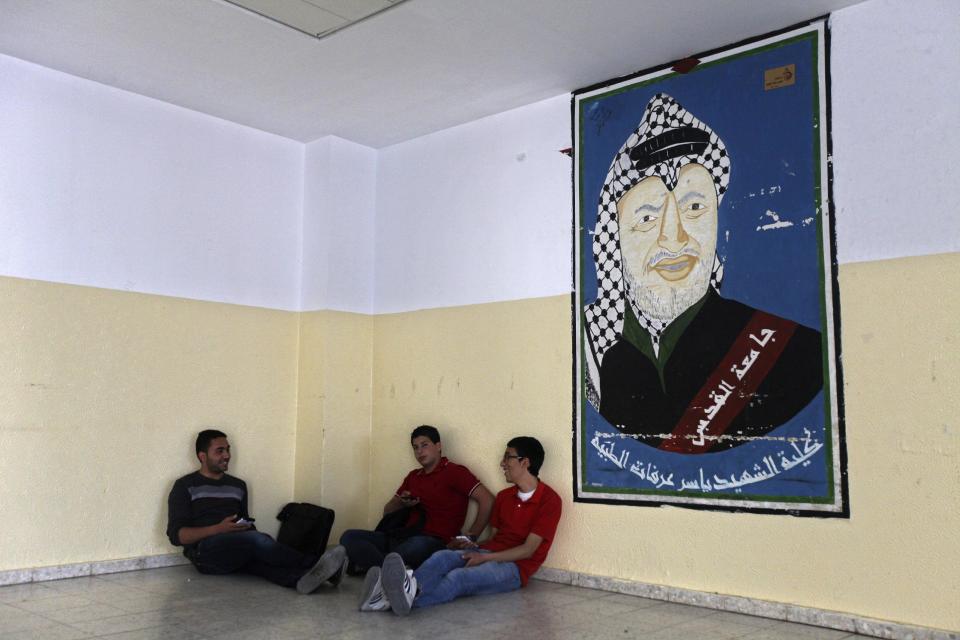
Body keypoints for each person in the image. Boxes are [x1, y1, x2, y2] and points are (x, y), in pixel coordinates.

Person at [583, 93, 823, 454]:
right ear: (612, 239)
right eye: (647, 217)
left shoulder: (796, 353)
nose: (674, 237)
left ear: (718, 226)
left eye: (694, 207)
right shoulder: (595, 356)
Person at [358, 436, 562, 615]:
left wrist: (485, 557)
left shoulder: (550, 500)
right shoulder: (504, 497)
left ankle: (392, 601)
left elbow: (528, 550)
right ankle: (395, 595)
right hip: (490, 552)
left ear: (525, 462)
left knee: (458, 578)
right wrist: (470, 545)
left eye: (507, 457)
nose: (502, 463)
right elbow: (496, 539)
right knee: (442, 557)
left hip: (516, 569)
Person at [166, 429, 346, 593]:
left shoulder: (238, 486)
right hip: (205, 555)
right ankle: (317, 564)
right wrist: (218, 529)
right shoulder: (184, 486)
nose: (227, 455)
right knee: (257, 540)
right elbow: (177, 536)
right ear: (202, 456)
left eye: (228, 450)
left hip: (236, 548)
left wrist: (247, 531)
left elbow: (244, 522)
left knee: (260, 563)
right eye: (219, 451)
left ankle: (301, 580)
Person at [339, 425, 494, 573]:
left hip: (434, 540)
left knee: (415, 546)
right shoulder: (413, 476)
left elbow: (487, 500)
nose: (419, 451)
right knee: (348, 536)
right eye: (415, 447)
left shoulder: (454, 472)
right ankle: (388, 569)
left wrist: (471, 537)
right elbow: (387, 512)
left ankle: (369, 566)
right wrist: (401, 502)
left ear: (438, 446)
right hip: (400, 536)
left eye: (424, 445)